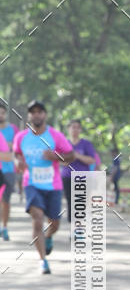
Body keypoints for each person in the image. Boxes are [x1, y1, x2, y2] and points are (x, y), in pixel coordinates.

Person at [13, 100, 74, 274]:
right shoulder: (21, 137)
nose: (37, 115)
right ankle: (43, 261)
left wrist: (56, 157)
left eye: (40, 112)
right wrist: (18, 162)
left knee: (54, 224)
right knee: (37, 219)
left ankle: (48, 236)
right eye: (33, 112)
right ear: (29, 116)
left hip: (53, 185)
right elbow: (17, 155)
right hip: (31, 184)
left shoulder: (55, 136)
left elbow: (71, 156)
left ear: (45, 115)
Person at [61, 119, 101, 222]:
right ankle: (73, 229)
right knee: (71, 202)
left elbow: (92, 160)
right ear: (68, 129)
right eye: (73, 127)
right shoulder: (64, 143)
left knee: (81, 203)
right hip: (67, 177)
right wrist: (69, 159)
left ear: (80, 130)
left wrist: (77, 156)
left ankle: (79, 228)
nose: (75, 130)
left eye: (77, 127)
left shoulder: (86, 144)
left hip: (83, 177)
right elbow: (60, 161)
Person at [0, 104, 20, 240]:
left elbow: (18, 148)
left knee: (5, 200)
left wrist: (10, 145)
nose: (0, 115)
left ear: (6, 114)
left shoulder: (13, 129)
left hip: (9, 170)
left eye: (2, 113)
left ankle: (4, 227)